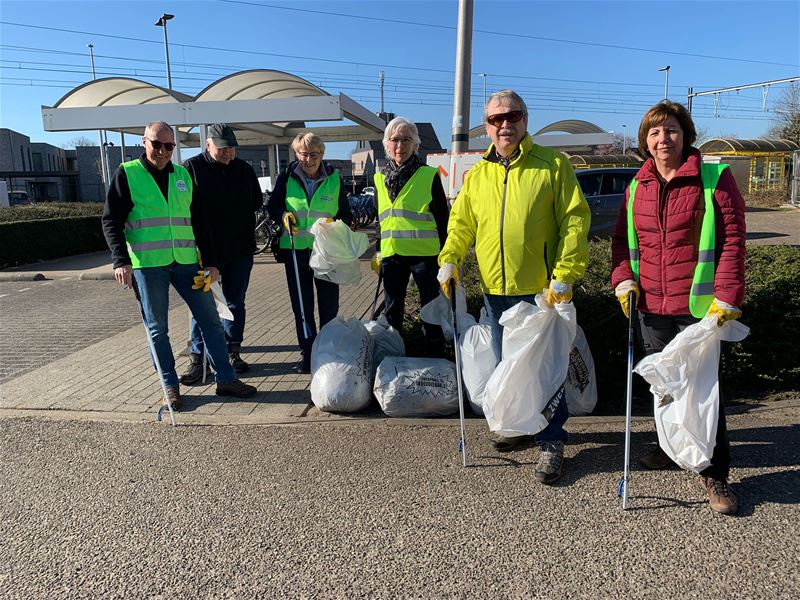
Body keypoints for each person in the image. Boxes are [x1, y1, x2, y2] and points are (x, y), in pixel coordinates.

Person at [437, 90, 591, 485]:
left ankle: (551, 440)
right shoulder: (478, 175)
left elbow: (575, 221)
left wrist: (564, 273)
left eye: (513, 116)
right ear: (486, 126)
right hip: (495, 291)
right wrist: (450, 258)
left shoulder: (552, 165)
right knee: (512, 368)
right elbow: (462, 224)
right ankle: (522, 425)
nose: (505, 124)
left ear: (525, 119)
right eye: (496, 119)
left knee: (546, 370)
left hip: (541, 290)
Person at [610, 100, 746, 515]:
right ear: (644, 142)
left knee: (703, 391)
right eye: (653, 132)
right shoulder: (637, 186)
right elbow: (621, 243)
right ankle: (672, 446)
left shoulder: (713, 178)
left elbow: (733, 241)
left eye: (670, 130)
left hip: (700, 308)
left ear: (685, 134)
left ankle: (714, 470)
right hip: (651, 305)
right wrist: (623, 280)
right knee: (664, 385)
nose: (662, 138)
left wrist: (727, 297)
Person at [102, 121, 257, 410]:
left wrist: (210, 262)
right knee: (158, 329)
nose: (162, 151)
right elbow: (111, 220)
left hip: (187, 262)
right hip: (148, 266)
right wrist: (120, 260)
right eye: (156, 144)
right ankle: (170, 387)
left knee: (211, 320)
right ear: (144, 142)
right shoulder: (128, 174)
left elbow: (200, 222)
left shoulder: (183, 175)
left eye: (168, 146)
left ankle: (225, 378)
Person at [181, 124, 263, 383]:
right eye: (222, 147)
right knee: (203, 305)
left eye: (231, 147)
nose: (228, 152)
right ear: (208, 144)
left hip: (240, 250)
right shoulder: (191, 169)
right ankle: (198, 357)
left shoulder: (245, 169)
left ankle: (232, 351)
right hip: (206, 253)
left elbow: (257, 202)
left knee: (235, 302)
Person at [266, 132, 352, 374]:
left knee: (328, 307)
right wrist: (283, 215)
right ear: (296, 154)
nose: (309, 159)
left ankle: (327, 351)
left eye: (314, 154)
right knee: (302, 307)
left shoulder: (334, 178)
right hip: (296, 252)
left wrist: (334, 222)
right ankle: (308, 352)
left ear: (322, 155)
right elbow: (273, 206)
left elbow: (347, 215)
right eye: (304, 154)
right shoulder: (286, 176)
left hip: (326, 253)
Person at [370, 116, 449, 355]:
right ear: (387, 144)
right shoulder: (379, 179)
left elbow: (442, 220)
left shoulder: (428, 175)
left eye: (406, 139)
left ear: (415, 143)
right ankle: (393, 356)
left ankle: (434, 357)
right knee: (392, 310)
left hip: (425, 256)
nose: (399, 146)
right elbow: (381, 220)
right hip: (393, 255)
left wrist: (447, 257)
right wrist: (378, 251)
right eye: (394, 140)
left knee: (431, 310)